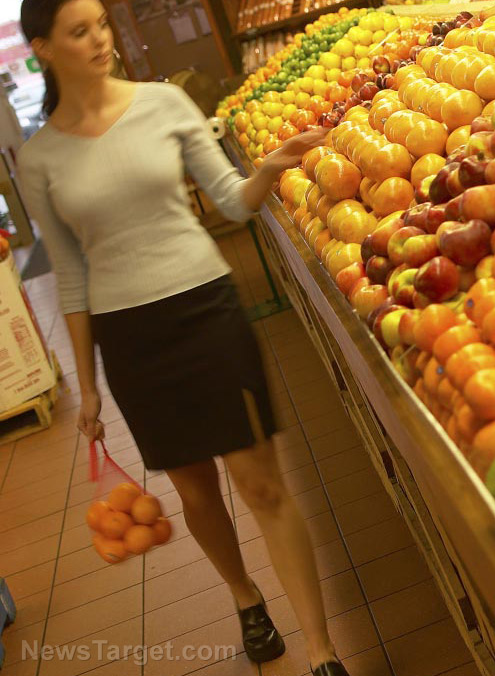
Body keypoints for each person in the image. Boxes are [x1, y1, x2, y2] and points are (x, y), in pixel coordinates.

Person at [17, 2, 350, 675]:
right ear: (43, 49)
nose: (100, 39)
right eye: (79, 32)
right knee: (196, 493)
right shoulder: (40, 158)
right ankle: (245, 596)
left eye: (101, 23)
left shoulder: (164, 104)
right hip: (130, 338)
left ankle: (321, 652)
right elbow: (72, 276)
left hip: (206, 311)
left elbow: (230, 200)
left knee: (262, 485)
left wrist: (269, 167)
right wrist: (87, 387)